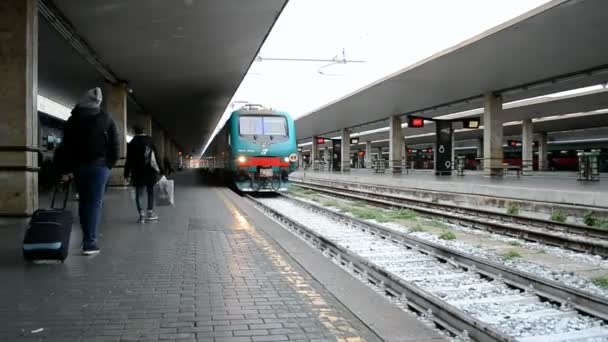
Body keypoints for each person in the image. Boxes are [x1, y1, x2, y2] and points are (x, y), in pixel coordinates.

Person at [56, 87, 119, 255]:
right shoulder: (106, 119)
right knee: (94, 203)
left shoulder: (72, 120)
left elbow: (65, 147)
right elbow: (115, 145)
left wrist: (67, 169)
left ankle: (87, 238)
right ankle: (89, 243)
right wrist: (108, 164)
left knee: (84, 202)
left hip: (78, 167)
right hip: (99, 167)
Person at [124, 125, 161, 223]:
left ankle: (141, 216)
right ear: (144, 131)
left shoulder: (132, 143)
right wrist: (162, 170)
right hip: (150, 171)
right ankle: (150, 213)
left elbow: (129, 160)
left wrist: (126, 174)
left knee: (139, 194)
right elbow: (156, 157)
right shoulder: (150, 140)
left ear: (134, 132)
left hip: (137, 172)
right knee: (150, 192)